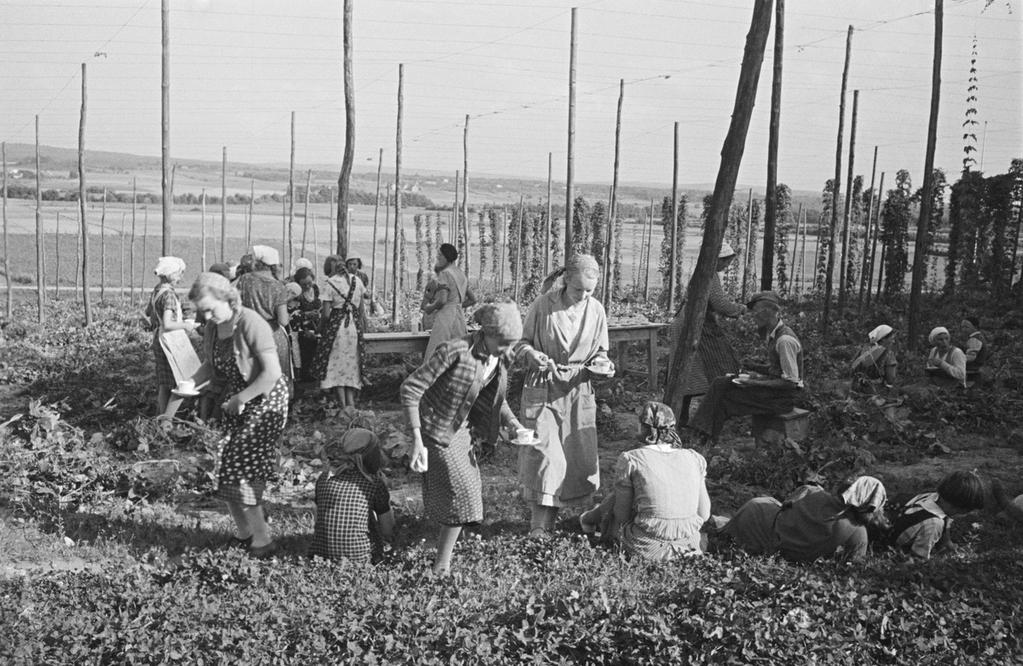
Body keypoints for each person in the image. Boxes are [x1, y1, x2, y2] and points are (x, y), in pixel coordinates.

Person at [400, 300, 527, 574]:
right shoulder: (455, 351)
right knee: (463, 493)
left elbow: (496, 399)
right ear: (488, 334)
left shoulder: (498, 357)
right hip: (435, 427)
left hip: (461, 430)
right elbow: (411, 389)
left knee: (464, 493)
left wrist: (514, 424)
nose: (509, 351)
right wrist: (416, 439)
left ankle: (443, 555)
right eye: (504, 343)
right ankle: (442, 565)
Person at [189, 272, 290, 558]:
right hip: (237, 399)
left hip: (266, 401)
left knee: (241, 468)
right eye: (202, 311)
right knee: (226, 465)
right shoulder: (212, 327)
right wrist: (188, 383)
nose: (207, 316)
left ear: (228, 298)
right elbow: (210, 366)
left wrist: (241, 398)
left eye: (210, 308)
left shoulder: (250, 322)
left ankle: (262, 540)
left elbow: (273, 373)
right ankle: (245, 533)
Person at [516, 253, 611, 538]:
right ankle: (537, 526)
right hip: (543, 386)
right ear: (566, 279)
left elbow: (602, 353)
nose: (583, 296)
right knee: (545, 457)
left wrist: (602, 367)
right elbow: (522, 344)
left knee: (572, 459)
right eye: (578, 289)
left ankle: (557, 523)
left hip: (578, 390)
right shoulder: (543, 305)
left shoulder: (597, 311)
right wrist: (533, 355)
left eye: (589, 291)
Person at [578, 402, 711, 560]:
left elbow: (622, 517)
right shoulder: (694, 458)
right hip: (689, 547)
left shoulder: (632, 459)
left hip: (646, 547)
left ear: (642, 427)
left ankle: (589, 519)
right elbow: (704, 514)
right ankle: (590, 517)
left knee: (618, 501)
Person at [688, 291, 803, 443]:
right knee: (720, 383)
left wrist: (753, 382)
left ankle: (704, 438)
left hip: (783, 399)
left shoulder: (784, 340)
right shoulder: (775, 334)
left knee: (725, 399)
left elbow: (790, 382)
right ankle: (701, 432)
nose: (753, 316)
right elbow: (778, 369)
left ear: (768, 311)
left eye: (755, 311)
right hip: (775, 393)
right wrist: (755, 367)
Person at [721, 476, 888, 562]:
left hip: (767, 534)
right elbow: (854, 565)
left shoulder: (812, 491)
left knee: (759, 504)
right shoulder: (858, 533)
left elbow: (784, 507)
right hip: (792, 556)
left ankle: (720, 531)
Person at [668, 242, 745, 424]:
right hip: (692, 325)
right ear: (716, 260)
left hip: (694, 322)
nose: (726, 266)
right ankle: (692, 417)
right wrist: (740, 309)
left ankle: (687, 416)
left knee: (692, 371)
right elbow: (721, 304)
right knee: (710, 367)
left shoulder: (705, 273)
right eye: (724, 261)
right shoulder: (709, 275)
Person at [310, 428, 394, 564]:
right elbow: (387, 529)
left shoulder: (324, 478)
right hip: (360, 559)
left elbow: (318, 515)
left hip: (321, 557)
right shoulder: (373, 483)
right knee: (380, 509)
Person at [888, 470, 986, 560]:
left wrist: (947, 543)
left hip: (896, 520)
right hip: (889, 542)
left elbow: (946, 518)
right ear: (958, 509)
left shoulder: (933, 496)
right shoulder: (934, 524)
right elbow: (919, 556)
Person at [146, 256, 199, 419]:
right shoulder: (168, 294)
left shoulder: (157, 290)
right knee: (181, 382)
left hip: (158, 338)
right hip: (170, 340)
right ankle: (167, 420)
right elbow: (168, 324)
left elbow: (149, 312)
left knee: (164, 383)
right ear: (169, 274)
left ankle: (161, 416)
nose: (180, 277)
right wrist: (185, 324)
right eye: (178, 274)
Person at [311, 255, 367, 409]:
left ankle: (343, 406)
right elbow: (361, 310)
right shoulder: (357, 281)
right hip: (354, 328)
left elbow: (327, 315)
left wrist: (320, 329)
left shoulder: (330, 283)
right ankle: (351, 405)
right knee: (351, 365)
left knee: (336, 366)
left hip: (337, 328)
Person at [235, 245, 293, 383]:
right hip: (272, 335)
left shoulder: (245, 280)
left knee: (250, 375)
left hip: (249, 332)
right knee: (274, 377)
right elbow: (283, 321)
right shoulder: (278, 287)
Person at [422, 243, 469, 359]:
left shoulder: (445, 273)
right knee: (458, 353)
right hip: (459, 317)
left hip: (445, 318)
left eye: (440, 256)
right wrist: (455, 306)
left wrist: (429, 308)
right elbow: (473, 299)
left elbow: (442, 300)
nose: (438, 259)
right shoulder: (461, 274)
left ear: (447, 256)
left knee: (436, 353)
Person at [288, 266, 321, 382]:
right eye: (304, 285)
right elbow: (292, 315)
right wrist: (307, 315)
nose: (307, 286)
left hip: (315, 326)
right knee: (305, 354)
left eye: (309, 283)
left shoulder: (315, 289)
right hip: (302, 330)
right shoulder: (296, 293)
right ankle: (304, 380)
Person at [850, 324, 898, 393]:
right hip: (874, 392)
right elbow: (890, 378)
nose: (893, 341)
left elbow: (852, 369)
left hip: (855, 389)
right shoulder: (888, 354)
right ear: (883, 338)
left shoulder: (863, 349)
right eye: (892, 339)